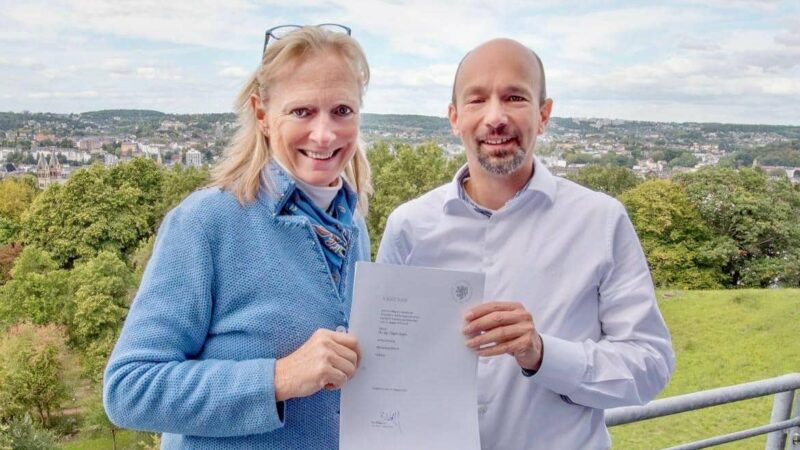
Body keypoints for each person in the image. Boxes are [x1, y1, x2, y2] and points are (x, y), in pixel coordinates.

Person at [377, 38, 674, 450]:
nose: (495, 118)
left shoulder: (600, 221)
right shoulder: (409, 226)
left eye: (514, 97)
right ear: (454, 117)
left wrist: (543, 354)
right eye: (477, 100)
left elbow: (650, 365)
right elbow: (386, 364)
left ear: (543, 113)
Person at [104, 25, 372, 449]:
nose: (324, 134)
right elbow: (129, 389)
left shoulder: (354, 225)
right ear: (262, 115)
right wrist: (277, 378)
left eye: (342, 110)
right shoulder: (207, 223)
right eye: (301, 111)